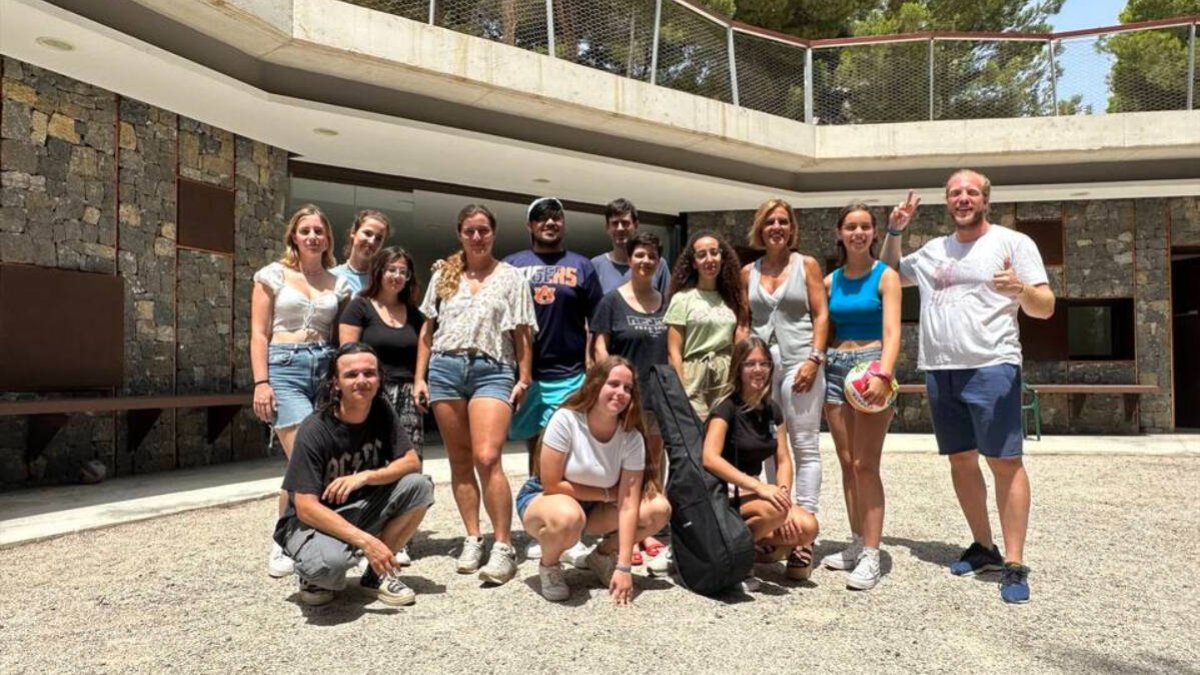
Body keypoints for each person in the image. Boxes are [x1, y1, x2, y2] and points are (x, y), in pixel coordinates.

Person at [880, 172, 1055, 604]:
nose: (963, 198)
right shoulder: (935, 249)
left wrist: (1020, 289)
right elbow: (889, 272)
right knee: (960, 460)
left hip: (992, 366)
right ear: (947, 201)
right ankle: (984, 546)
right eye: (955, 193)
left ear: (986, 201)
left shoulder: (1013, 243)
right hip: (941, 369)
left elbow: (1046, 307)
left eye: (971, 193)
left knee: (1004, 462)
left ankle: (1014, 562)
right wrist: (894, 231)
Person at [413, 204, 536, 586]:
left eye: (483, 230)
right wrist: (421, 377)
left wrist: (524, 376)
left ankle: (503, 545)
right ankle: (472, 537)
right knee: (460, 459)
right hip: (445, 369)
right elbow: (427, 331)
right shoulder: (444, 275)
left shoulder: (512, 277)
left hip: (492, 369)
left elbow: (522, 333)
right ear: (460, 234)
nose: (477, 237)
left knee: (488, 456)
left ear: (493, 233)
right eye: (470, 231)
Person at [274, 342, 434, 607]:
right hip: (313, 522)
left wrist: (365, 477)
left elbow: (411, 462)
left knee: (420, 486)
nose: (362, 381)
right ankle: (311, 572)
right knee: (328, 571)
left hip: (358, 507)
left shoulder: (381, 410)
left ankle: (376, 574)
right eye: (351, 375)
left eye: (369, 373)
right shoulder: (314, 429)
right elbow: (305, 508)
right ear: (336, 383)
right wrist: (367, 542)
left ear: (379, 377)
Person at [516, 356, 671, 603]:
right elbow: (552, 484)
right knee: (568, 517)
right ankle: (550, 565)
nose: (621, 392)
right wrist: (608, 495)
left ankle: (601, 555)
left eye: (627, 388)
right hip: (550, 498)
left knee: (658, 508)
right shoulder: (567, 420)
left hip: (595, 507)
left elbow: (629, 504)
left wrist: (623, 567)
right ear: (596, 384)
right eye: (614, 384)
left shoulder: (631, 437)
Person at [251, 204, 352, 578]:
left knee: (314, 461)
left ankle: (310, 537)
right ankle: (284, 540)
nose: (313, 236)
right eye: (305, 230)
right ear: (293, 235)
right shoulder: (272, 276)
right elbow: (259, 333)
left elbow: (341, 336)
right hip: (285, 367)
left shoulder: (337, 284)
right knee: (303, 460)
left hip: (324, 370)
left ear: (328, 238)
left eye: (319, 231)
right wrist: (261, 382)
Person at [503, 197, 603, 562]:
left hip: (569, 373)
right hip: (526, 375)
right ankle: (541, 519)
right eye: (541, 218)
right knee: (534, 447)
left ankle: (565, 525)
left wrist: (593, 363)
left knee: (560, 449)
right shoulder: (512, 265)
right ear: (530, 226)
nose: (550, 223)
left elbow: (596, 321)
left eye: (556, 218)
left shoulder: (581, 266)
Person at [738, 198, 829, 581]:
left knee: (805, 445)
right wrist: (741, 361)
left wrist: (815, 358)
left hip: (800, 363)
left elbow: (821, 313)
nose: (777, 227)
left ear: (791, 228)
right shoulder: (748, 272)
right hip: (761, 368)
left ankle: (803, 529)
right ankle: (778, 522)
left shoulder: (805, 265)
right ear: (761, 228)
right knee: (773, 448)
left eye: (783, 222)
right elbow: (744, 321)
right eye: (770, 222)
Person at [819, 202, 902, 591]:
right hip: (836, 368)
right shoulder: (829, 280)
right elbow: (821, 325)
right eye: (850, 226)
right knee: (848, 462)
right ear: (839, 233)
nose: (858, 233)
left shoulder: (886, 277)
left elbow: (893, 332)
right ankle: (855, 541)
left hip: (871, 368)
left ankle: (872, 552)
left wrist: (884, 374)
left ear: (873, 233)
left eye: (865, 227)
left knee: (867, 464)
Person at [701, 337, 818, 591]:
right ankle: (738, 561)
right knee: (773, 512)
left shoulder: (772, 409)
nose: (758, 370)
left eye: (764, 364)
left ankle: (752, 546)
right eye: (750, 364)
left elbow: (784, 459)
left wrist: (784, 496)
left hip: (750, 496)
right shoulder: (726, 408)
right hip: (722, 495)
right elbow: (709, 458)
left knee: (808, 527)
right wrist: (761, 488)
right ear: (738, 369)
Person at [339, 246, 426, 567]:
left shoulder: (415, 314)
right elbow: (347, 354)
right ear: (379, 271)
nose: (397, 276)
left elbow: (423, 351)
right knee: (368, 462)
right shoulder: (359, 307)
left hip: (406, 395)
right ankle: (363, 535)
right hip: (370, 394)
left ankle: (398, 537)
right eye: (391, 269)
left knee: (407, 463)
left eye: (403, 271)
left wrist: (420, 381)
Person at [590, 231, 670, 565]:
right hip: (625, 399)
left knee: (654, 464)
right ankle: (623, 529)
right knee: (624, 465)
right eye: (640, 255)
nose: (645, 261)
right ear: (630, 257)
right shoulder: (612, 300)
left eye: (652, 256)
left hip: (658, 397)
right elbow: (599, 346)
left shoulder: (666, 302)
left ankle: (647, 528)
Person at [665, 231, 747, 422]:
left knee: (722, 439)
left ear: (722, 257)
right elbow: (673, 351)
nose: (709, 259)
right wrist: (681, 388)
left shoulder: (732, 298)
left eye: (714, 252)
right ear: (694, 263)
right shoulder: (682, 299)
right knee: (696, 439)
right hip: (693, 377)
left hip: (725, 376)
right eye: (702, 255)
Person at [590, 198, 671, 294]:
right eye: (615, 223)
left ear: (636, 225)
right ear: (607, 228)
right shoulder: (596, 266)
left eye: (625, 223)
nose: (620, 228)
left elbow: (667, 304)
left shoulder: (656, 264)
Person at [331, 210, 389, 295]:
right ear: (353, 232)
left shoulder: (382, 283)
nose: (372, 241)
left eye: (378, 238)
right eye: (368, 233)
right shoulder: (332, 276)